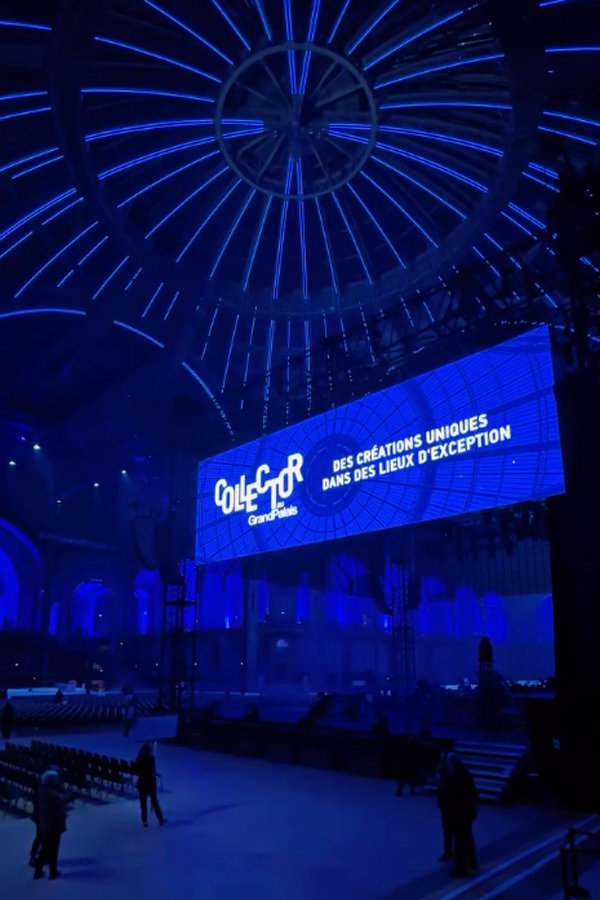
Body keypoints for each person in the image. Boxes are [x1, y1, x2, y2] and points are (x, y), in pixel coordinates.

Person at [446, 753, 478, 878]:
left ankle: (461, 868)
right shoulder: (464, 773)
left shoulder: (458, 776)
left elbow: (457, 795)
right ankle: (471, 863)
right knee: (467, 838)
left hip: (460, 812)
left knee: (459, 841)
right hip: (465, 812)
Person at [33, 770, 68, 880]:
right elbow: (63, 800)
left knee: (44, 849)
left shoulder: (41, 790)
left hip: (44, 824)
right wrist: (75, 795)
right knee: (53, 850)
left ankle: (38, 871)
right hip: (53, 825)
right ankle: (53, 872)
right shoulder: (50, 793)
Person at [133, 743, 165, 827]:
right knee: (154, 801)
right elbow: (152, 771)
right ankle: (160, 818)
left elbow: (136, 770)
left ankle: (144, 820)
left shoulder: (139, 759)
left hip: (142, 783)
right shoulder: (150, 759)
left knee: (143, 803)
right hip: (150, 783)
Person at [436, 753, 453, 862]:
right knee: (447, 830)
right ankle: (448, 851)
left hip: (448, 805)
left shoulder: (446, 772)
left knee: (448, 830)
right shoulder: (444, 770)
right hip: (445, 805)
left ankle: (448, 852)